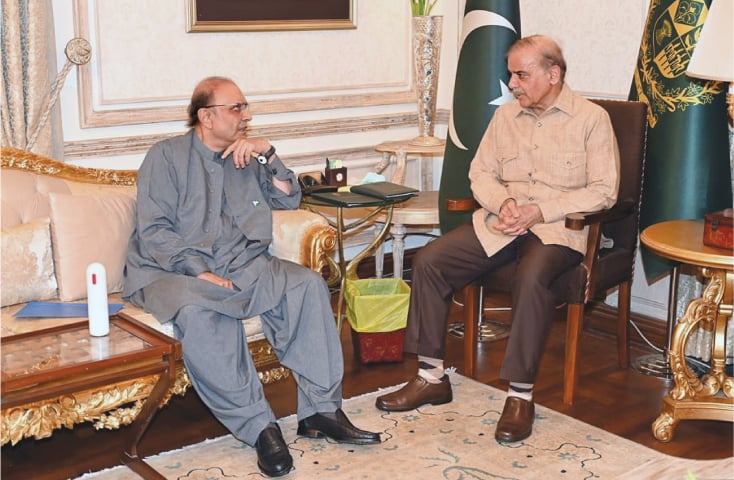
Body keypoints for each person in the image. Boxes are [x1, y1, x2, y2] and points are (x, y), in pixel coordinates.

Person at [123, 76, 380, 478]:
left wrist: (269, 153)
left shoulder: (247, 156)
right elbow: (154, 230)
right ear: (206, 116)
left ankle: (321, 411)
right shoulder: (166, 157)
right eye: (236, 108)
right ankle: (260, 427)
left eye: (245, 107)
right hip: (172, 269)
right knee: (203, 314)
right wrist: (200, 271)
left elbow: (287, 198)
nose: (246, 116)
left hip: (242, 263)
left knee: (307, 286)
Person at [375, 35, 620, 443]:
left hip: (557, 229)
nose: (512, 83)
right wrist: (503, 201)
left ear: (553, 74)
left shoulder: (591, 119)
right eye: (511, 74)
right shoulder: (506, 117)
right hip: (501, 224)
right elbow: (480, 173)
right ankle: (431, 376)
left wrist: (539, 211)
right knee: (430, 261)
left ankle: (520, 396)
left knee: (532, 277)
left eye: (521, 74)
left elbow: (604, 190)